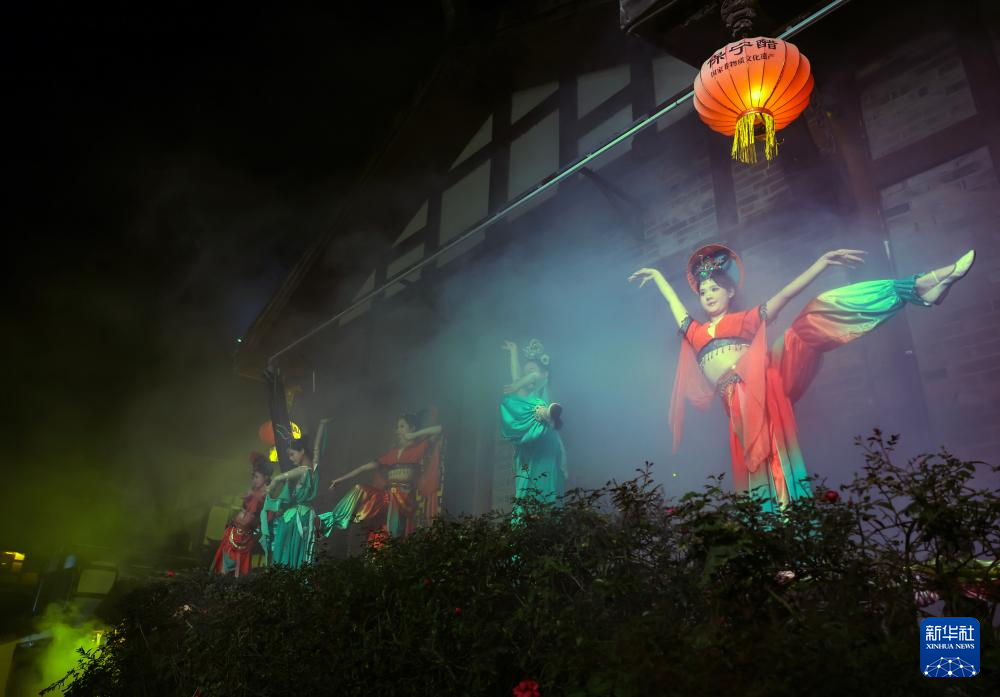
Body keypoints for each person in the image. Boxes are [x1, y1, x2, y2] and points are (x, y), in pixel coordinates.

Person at [630, 243, 974, 512]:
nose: (707, 294)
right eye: (703, 290)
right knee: (755, 469)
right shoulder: (695, 332)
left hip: (765, 382)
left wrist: (820, 264)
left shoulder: (745, 320)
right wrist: (659, 278)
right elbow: (676, 307)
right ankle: (773, 540)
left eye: (714, 288)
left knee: (812, 318)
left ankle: (917, 287)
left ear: (730, 293)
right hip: (737, 406)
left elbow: (784, 296)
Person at [321, 411, 443, 541]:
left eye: (402, 426)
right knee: (359, 489)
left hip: (403, 499)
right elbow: (364, 467)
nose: (397, 430)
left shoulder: (419, 447)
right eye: (397, 427)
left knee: (389, 526)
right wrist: (340, 479)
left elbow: (439, 429)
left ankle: (365, 523)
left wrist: (413, 435)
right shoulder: (392, 453)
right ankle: (334, 519)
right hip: (387, 497)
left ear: (412, 428)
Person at [499, 338, 567, 517]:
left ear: (545, 373)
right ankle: (549, 415)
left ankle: (548, 414)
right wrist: (513, 352)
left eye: (531, 370)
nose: (527, 375)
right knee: (525, 481)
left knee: (537, 407)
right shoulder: (523, 393)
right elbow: (518, 378)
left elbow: (533, 376)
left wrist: (518, 384)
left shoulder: (540, 385)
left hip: (544, 439)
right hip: (527, 446)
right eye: (525, 371)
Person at [260, 418, 330, 567]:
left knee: (291, 550)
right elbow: (316, 451)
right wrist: (322, 425)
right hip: (298, 515)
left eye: (292, 454)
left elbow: (279, 478)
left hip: (299, 516)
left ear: (302, 451)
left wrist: (271, 487)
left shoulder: (305, 470)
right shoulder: (309, 469)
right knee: (292, 550)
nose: (291, 459)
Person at [210, 452, 272, 577]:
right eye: (252, 477)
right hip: (233, 533)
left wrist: (256, 528)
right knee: (223, 570)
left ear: (266, 477)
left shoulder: (267, 497)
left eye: (256, 477)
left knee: (238, 573)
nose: (253, 480)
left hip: (246, 537)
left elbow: (266, 519)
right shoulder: (253, 491)